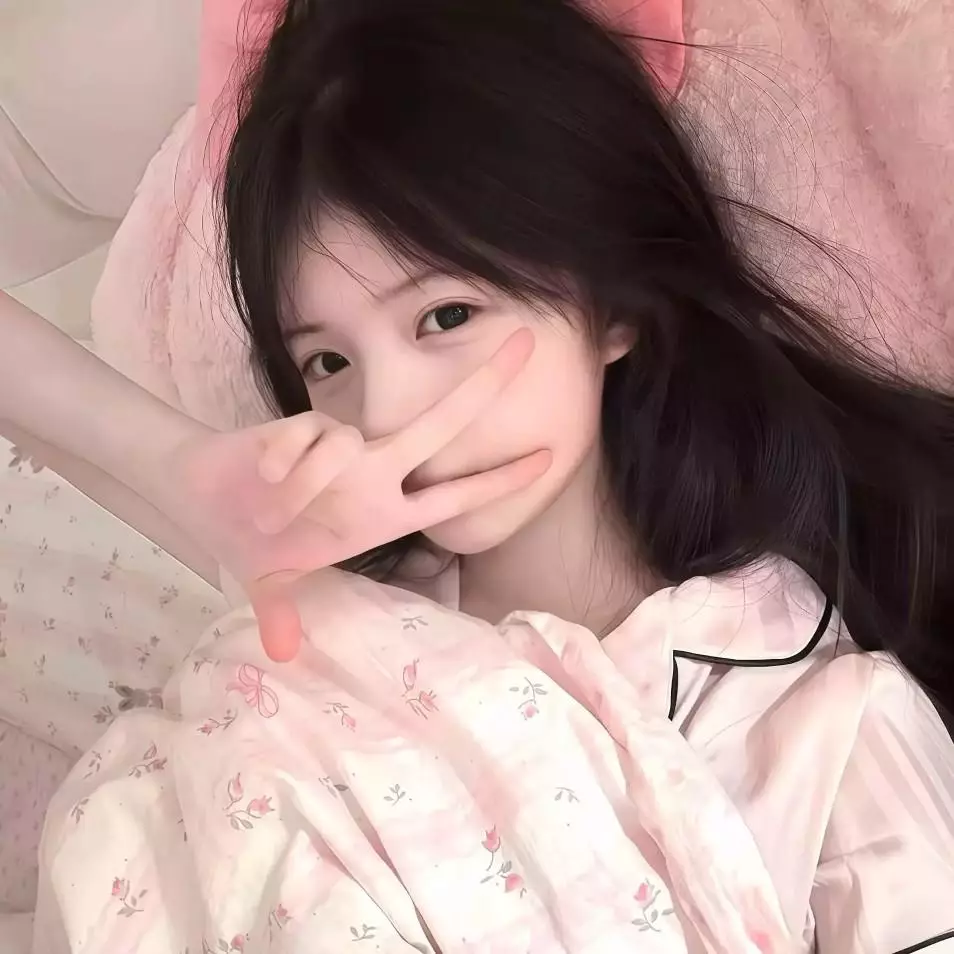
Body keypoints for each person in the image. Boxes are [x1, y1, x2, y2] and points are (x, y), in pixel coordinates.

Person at [2, 0, 953, 948]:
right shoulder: (320, 602)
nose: (383, 411)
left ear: (614, 305)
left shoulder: (823, 728)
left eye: (446, 316)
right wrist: (177, 468)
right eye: (327, 361)